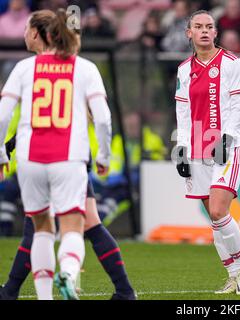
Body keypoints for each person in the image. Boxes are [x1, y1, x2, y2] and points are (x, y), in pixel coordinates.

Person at [0, 9, 136, 300]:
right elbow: (101, 117)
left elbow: (5, 115)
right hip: (69, 156)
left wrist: (4, 151)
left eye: (27, 29)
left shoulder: (26, 68)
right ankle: (112, 287)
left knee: (43, 227)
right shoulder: (83, 68)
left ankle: (26, 291)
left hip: (38, 157)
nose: (24, 34)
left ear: (41, 34)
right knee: (84, 222)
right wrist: (103, 155)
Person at [174, 10, 240, 295]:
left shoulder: (232, 63)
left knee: (220, 210)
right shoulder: (184, 69)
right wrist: (181, 148)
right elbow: (183, 112)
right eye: (198, 27)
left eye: (209, 26)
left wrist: (227, 138)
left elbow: (237, 106)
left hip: (227, 147)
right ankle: (232, 273)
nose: (204, 31)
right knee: (214, 219)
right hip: (197, 148)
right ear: (189, 33)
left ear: (216, 33)